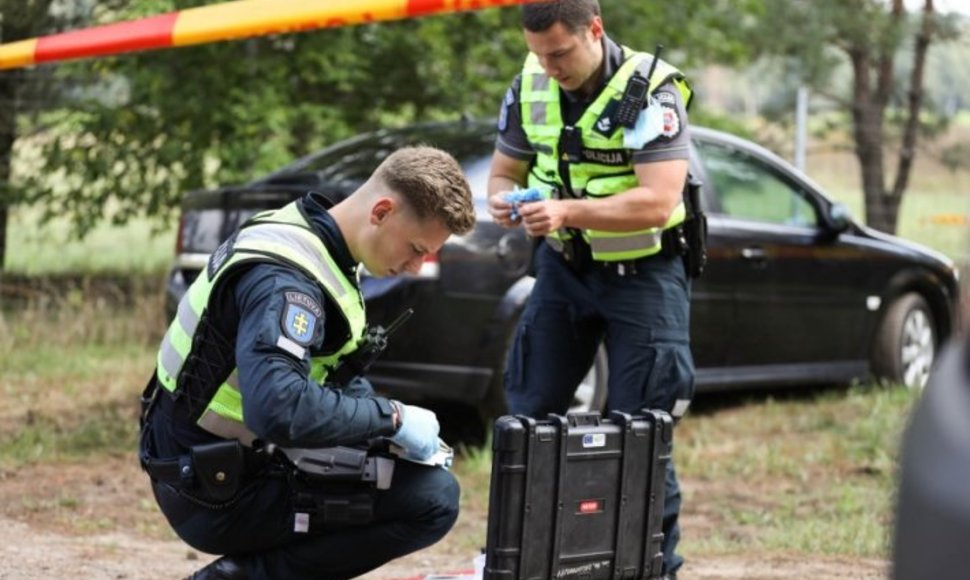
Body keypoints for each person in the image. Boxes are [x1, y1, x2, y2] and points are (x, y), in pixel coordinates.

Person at [139, 146, 476, 580]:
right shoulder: (286, 285)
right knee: (432, 499)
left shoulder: (311, 236)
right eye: (415, 249)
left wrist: (388, 429)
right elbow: (277, 408)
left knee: (412, 473)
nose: (414, 267)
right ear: (382, 211)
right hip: (213, 490)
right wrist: (390, 417)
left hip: (209, 457)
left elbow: (323, 374)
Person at [486, 1, 695, 577]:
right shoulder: (528, 84)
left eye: (559, 52)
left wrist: (566, 210)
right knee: (526, 419)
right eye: (538, 54)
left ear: (594, 31)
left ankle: (653, 568)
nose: (549, 66)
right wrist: (505, 202)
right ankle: (520, 563)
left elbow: (659, 201)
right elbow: (503, 173)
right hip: (562, 271)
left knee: (643, 432)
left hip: (644, 277)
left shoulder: (651, 91)